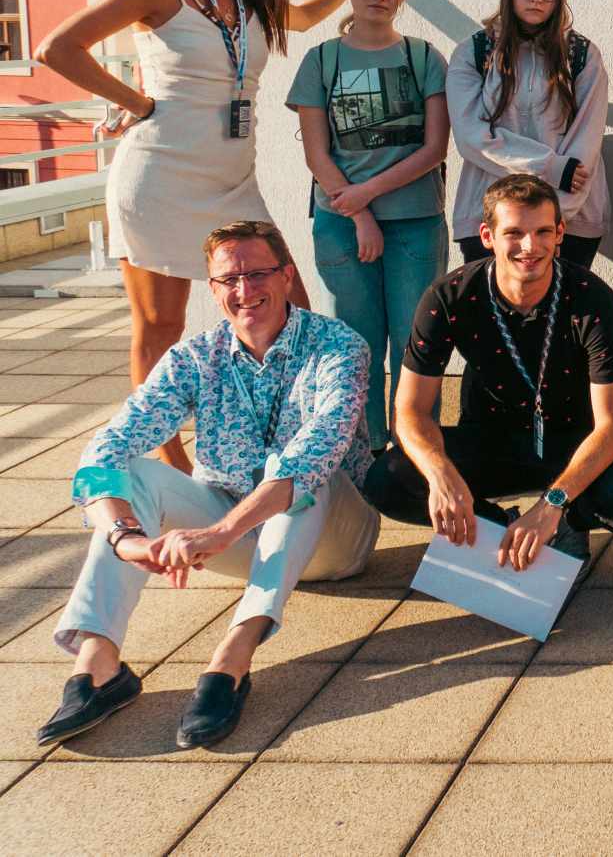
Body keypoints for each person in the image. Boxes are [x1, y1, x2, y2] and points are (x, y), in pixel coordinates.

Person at [35, 0, 350, 469]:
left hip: (234, 183)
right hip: (160, 176)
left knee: (289, 309)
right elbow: (57, 48)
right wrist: (137, 101)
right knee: (161, 323)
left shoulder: (254, 6)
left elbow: (304, 16)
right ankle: (171, 459)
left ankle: (291, 441)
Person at [38, 222, 378, 751]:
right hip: (236, 537)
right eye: (228, 280)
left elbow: (316, 452)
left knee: (301, 472)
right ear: (213, 288)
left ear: (287, 276)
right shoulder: (194, 357)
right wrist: (127, 539)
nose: (244, 290)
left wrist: (218, 532)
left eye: (258, 273)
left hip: (334, 539)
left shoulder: (338, 346)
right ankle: (99, 664)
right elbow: (105, 449)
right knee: (133, 471)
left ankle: (231, 660)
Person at [364, 173, 613, 566]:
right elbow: (410, 411)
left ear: (560, 233)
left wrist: (552, 504)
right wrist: (442, 476)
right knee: (386, 479)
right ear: (487, 236)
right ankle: (496, 528)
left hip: (572, 439)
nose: (530, 246)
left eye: (543, 232)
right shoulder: (449, 297)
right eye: (514, 233)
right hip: (490, 437)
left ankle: (563, 522)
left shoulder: (593, 299)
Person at [290, 0, 451, 450]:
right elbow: (317, 155)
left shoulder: (423, 57)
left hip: (416, 221)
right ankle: (363, 452)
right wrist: (359, 213)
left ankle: (413, 451)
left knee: (414, 341)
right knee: (355, 345)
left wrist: (369, 196)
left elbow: (434, 149)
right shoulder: (321, 60)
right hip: (340, 222)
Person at [448, 0, 610, 269]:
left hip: (570, 219)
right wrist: (550, 167)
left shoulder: (582, 55)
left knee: (564, 303)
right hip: (491, 218)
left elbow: (586, 144)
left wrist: (551, 221)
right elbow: (471, 137)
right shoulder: (474, 52)